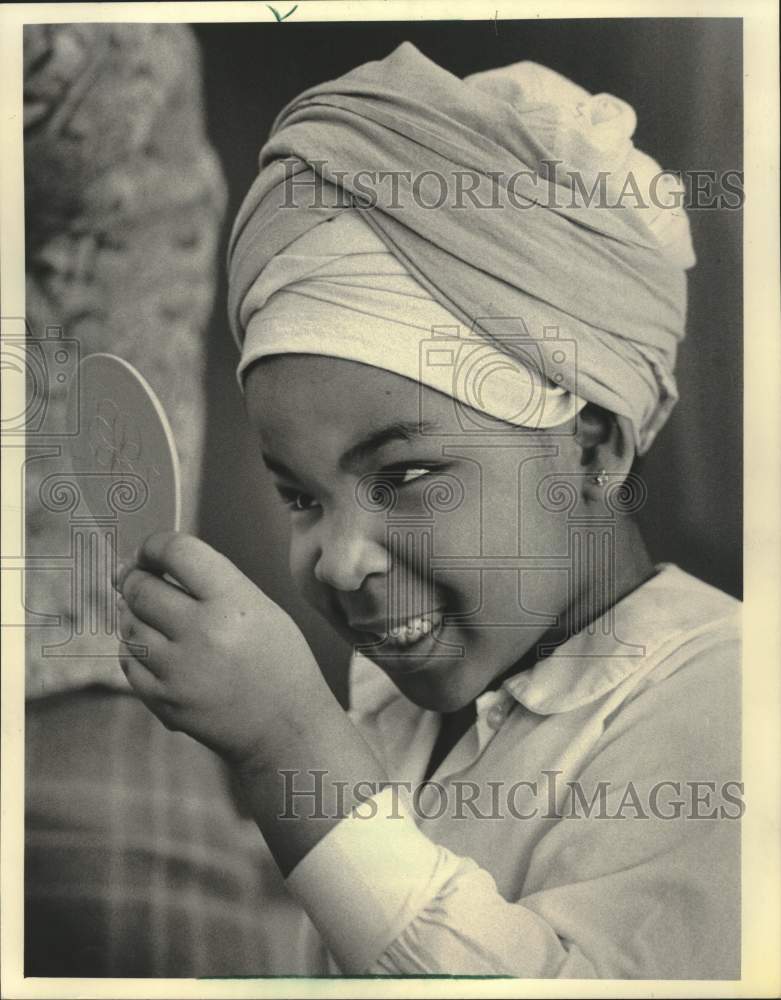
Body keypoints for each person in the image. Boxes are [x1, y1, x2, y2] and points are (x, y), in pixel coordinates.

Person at [114, 43, 741, 978]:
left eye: (403, 476)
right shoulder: (395, 713)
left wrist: (291, 752)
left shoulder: (723, 707)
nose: (336, 560)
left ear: (594, 446)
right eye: (299, 496)